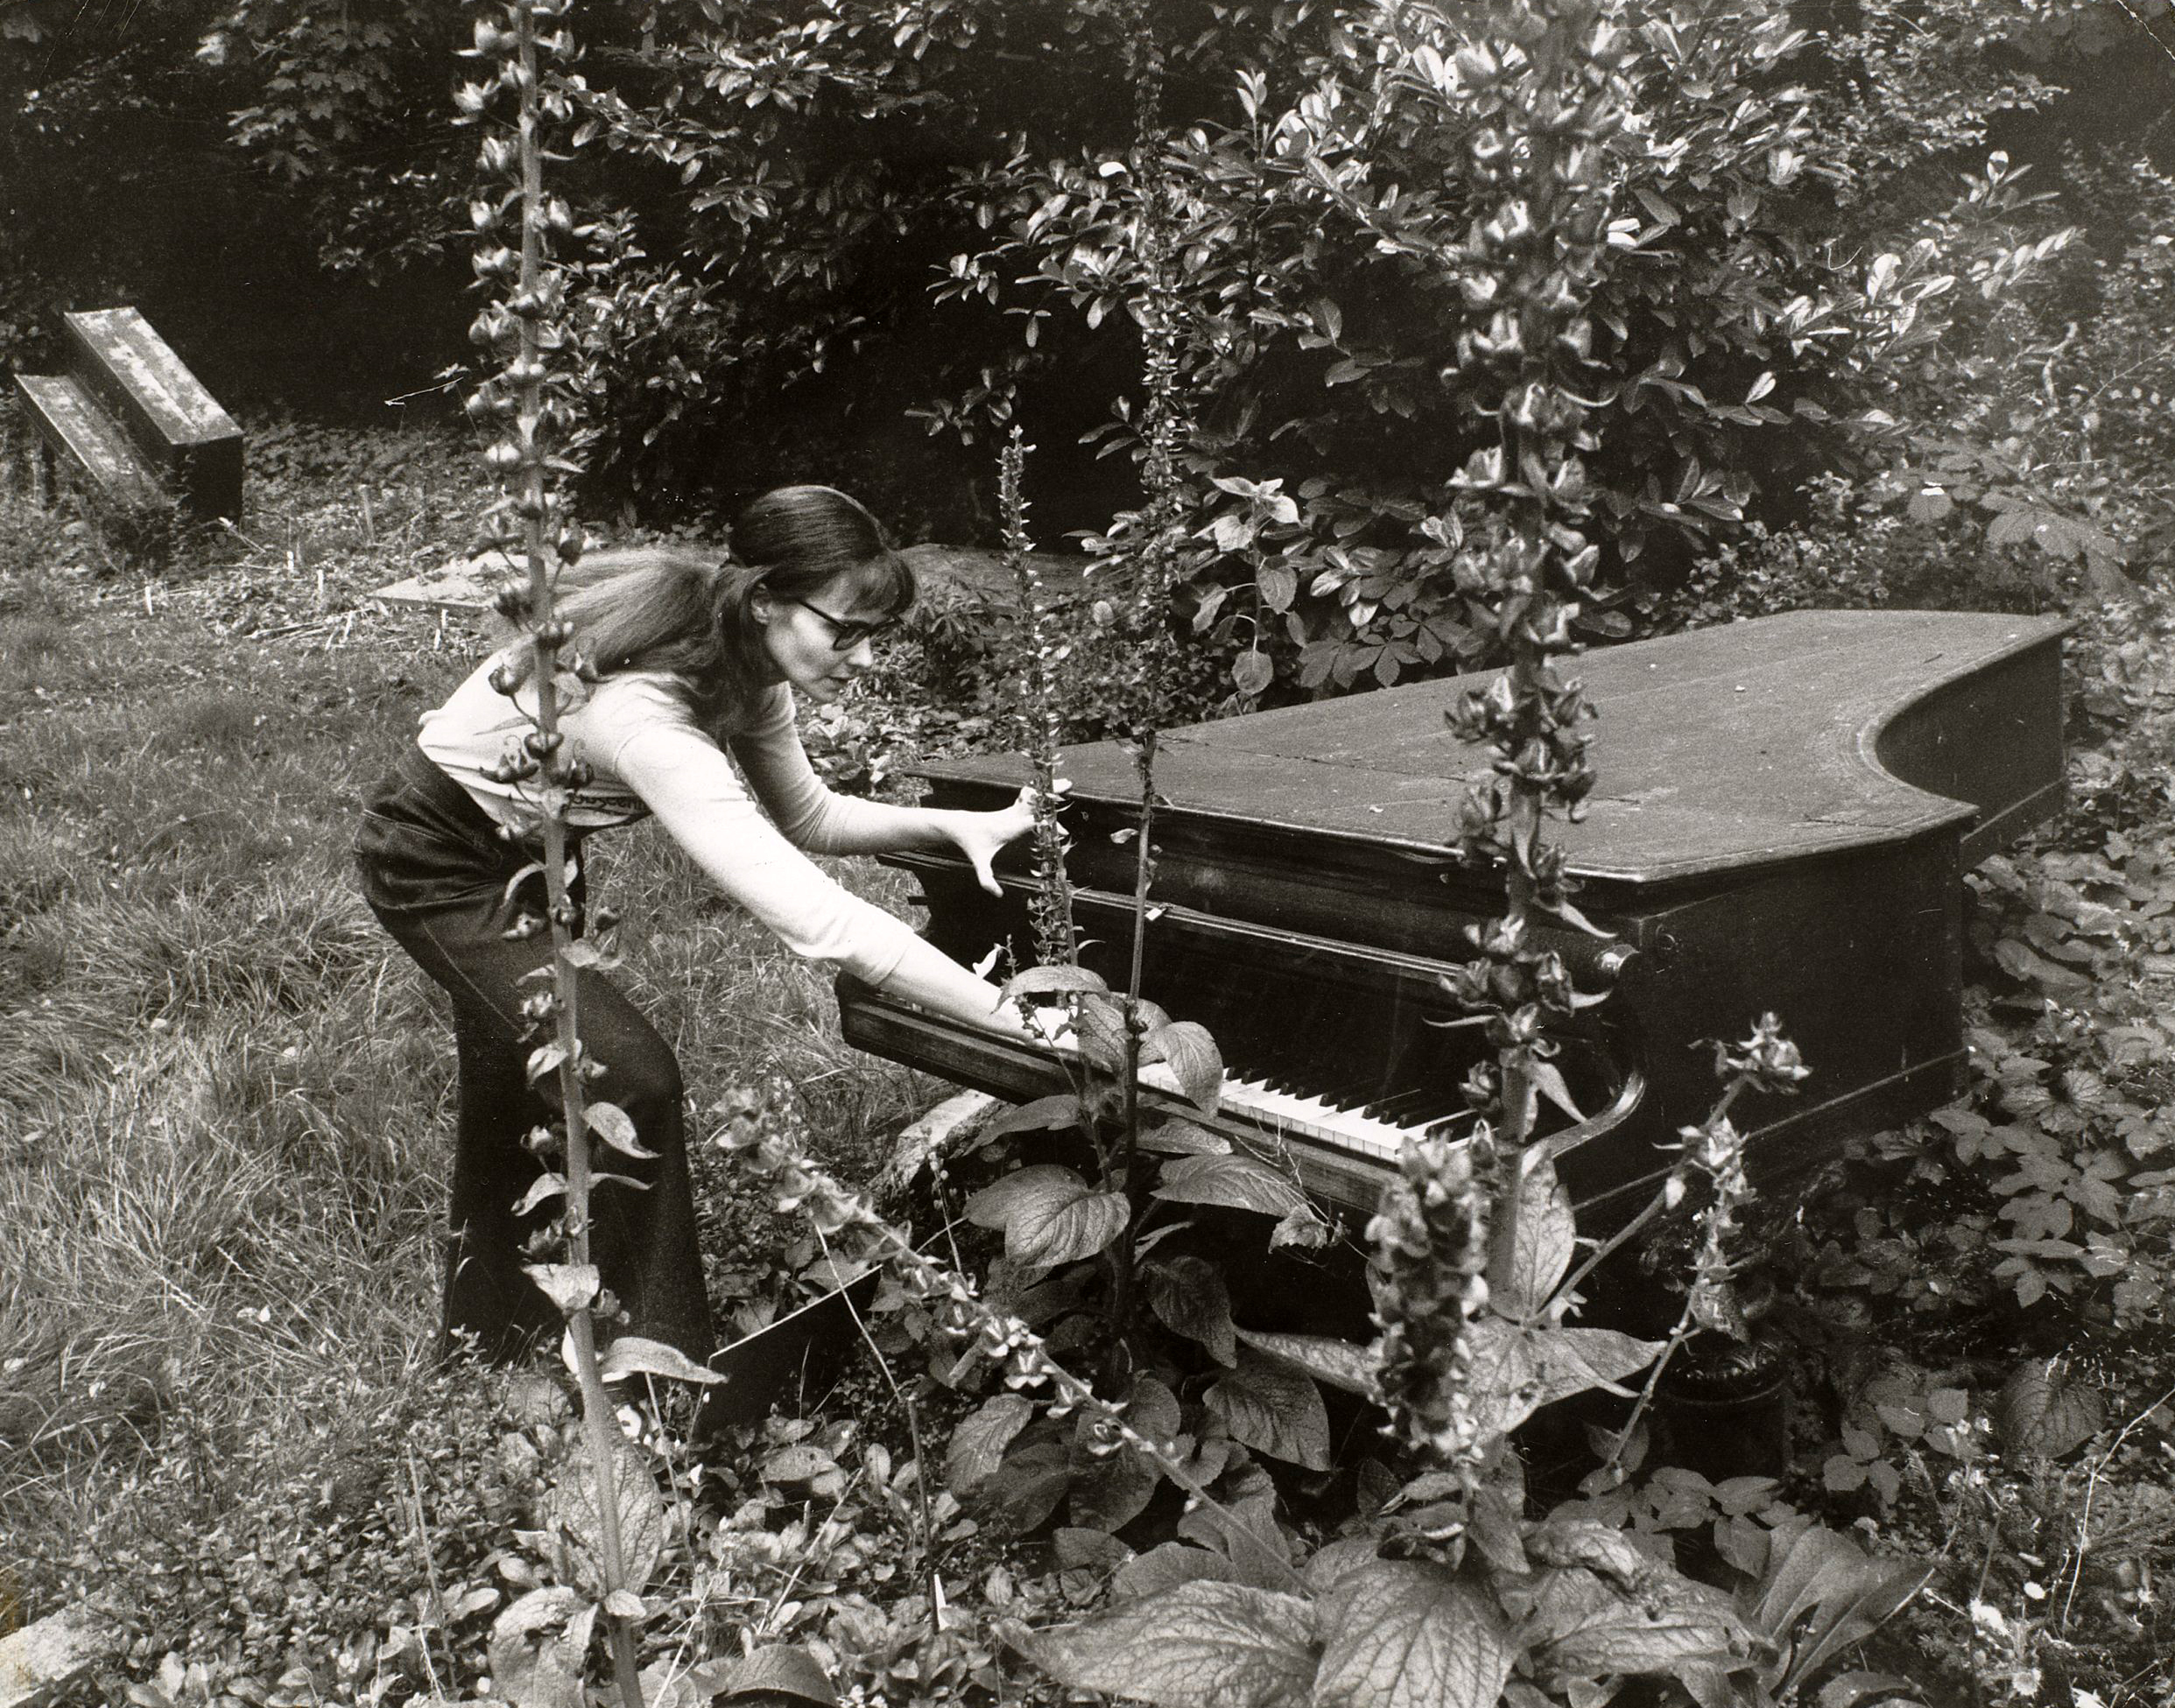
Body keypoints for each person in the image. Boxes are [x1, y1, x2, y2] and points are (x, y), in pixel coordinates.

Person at [354, 486, 1033, 1367]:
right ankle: (658, 1388)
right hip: (435, 857)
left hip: (537, 852)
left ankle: (487, 1341)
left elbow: (811, 817)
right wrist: (1014, 1019)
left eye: (878, 634)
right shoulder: (646, 714)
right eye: (846, 630)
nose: (864, 658)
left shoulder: (747, 667)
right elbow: (820, 920)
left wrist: (949, 826)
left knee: (517, 1080)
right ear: (766, 600)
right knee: (630, 1079)